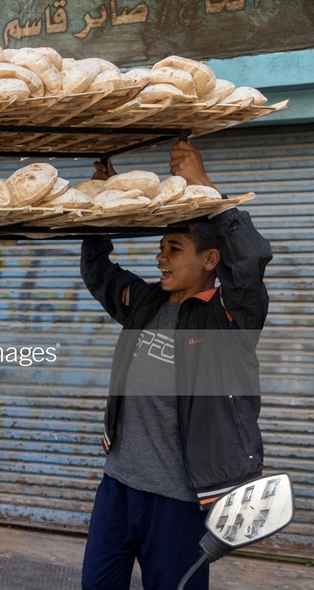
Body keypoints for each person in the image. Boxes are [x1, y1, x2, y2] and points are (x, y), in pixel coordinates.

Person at [79, 141, 272, 590]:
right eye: (161, 247)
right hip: (118, 487)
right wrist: (105, 205)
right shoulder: (146, 302)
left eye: (174, 248)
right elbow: (99, 272)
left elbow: (249, 261)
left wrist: (205, 188)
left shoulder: (228, 319)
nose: (160, 258)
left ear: (210, 259)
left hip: (181, 501)